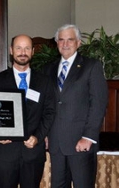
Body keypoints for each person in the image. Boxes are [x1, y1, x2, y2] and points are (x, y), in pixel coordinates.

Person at [43, 24, 108, 188]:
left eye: (70, 40)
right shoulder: (47, 69)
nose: (65, 44)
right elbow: (45, 105)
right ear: (56, 43)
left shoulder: (91, 66)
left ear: (78, 42)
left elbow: (99, 104)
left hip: (81, 143)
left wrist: (88, 137)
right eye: (61, 40)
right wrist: (44, 133)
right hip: (56, 143)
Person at [0, 34, 56, 188]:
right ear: (11, 50)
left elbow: (49, 112)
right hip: (6, 151)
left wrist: (38, 137)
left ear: (33, 51)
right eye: (18, 48)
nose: (22, 52)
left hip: (33, 152)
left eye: (27, 48)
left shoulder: (44, 81)